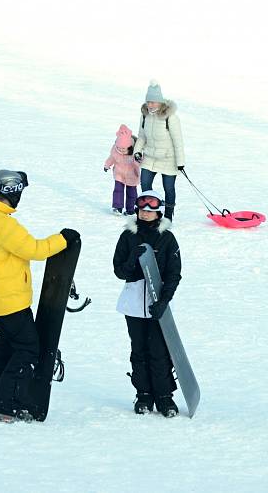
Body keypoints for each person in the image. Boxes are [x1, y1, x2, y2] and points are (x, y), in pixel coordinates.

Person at [0, 169, 79, 423]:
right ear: (12, 192)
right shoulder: (3, 224)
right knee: (28, 349)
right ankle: (6, 405)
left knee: (4, 350)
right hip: (11, 299)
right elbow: (35, 250)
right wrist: (63, 239)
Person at [112, 189, 182, 417]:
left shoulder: (167, 238)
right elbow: (119, 271)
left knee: (159, 351)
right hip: (133, 304)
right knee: (139, 350)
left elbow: (174, 273)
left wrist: (164, 301)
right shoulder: (127, 236)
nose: (145, 213)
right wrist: (132, 260)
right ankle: (143, 394)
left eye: (150, 210)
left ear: (158, 212)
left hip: (157, 303)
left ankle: (164, 396)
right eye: (142, 209)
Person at [134, 80, 185, 222]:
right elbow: (142, 136)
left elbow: (178, 141)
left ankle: (168, 216)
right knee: (144, 183)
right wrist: (137, 151)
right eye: (148, 102)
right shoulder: (145, 116)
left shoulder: (171, 118)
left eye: (153, 102)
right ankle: (147, 212)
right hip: (150, 157)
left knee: (168, 188)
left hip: (168, 158)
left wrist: (180, 163)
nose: (150, 105)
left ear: (160, 102)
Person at [104, 124, 141, 215]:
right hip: (119, 174)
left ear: (129, 147)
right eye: (119, 148)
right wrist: (107, 165)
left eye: (123, 149)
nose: (121, 150)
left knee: (131, 193)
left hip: (132, 175)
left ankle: (131, 209)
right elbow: (112, 158)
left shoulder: (135, 152)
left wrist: (138, 162)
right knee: (118, 190)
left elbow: (139, 164)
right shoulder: (115, 149)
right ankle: (118, 207)